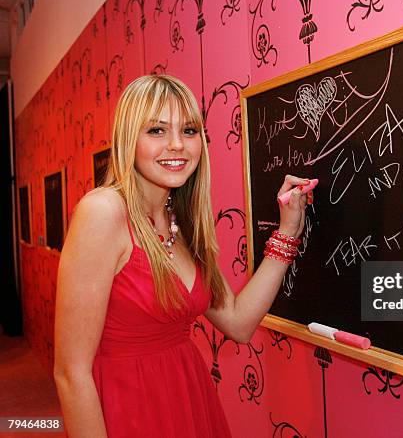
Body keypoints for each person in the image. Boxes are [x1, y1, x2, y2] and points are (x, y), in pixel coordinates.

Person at [53, 75, 313, 438]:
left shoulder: (183, 222)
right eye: (157, 130)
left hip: (188, 400)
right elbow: (70, 373)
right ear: (129, 138)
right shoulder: (103, 211)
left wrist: (287, 233)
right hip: (130, 410)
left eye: (189, 130)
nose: (177, 145)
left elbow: (238, 323)